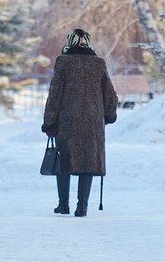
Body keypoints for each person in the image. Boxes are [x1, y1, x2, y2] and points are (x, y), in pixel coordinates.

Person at [41, 28, 118, 217]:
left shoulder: (63, 63)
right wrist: (109, 116)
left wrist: (49, 122)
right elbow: (110, 94)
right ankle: (82, 207)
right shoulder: (99, 64)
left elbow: (55, 94)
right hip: (93, 123)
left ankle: (63, 205)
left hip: (67, 121)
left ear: (70, 43)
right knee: (88, 161)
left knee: (63, 159)